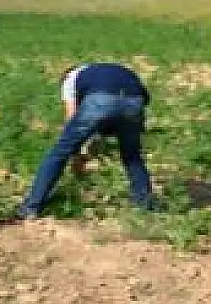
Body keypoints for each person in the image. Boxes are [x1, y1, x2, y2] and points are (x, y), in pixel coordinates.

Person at [16, 62, 154, 219]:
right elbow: (143, 98)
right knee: (132, 156)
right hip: (135, 101)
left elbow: (71, 118)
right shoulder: (106, 71)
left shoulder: (69, 79)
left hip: (101, 101)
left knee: (59, 152)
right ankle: (145, 204)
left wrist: (76, 156)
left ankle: (31, 206)